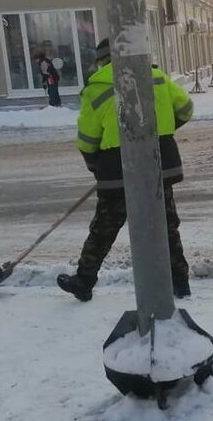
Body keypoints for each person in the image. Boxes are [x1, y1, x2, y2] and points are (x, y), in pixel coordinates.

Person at [57, 38, 194, 302]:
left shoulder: (97, 87)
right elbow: (186, 109)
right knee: (166, 226)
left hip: (117, 172)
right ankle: (180, 282)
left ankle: (84, 280)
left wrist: (95, 165)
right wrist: (158, 133)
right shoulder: (156, 77)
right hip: (158, 164)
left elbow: (87, 140)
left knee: (104, 228)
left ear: (103, 60)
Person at [36, 41, 61, 107]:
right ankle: (57, 103)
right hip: (53, 77)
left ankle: (53, 104)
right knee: (54, 90)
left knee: (52, 91)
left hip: (51, 78)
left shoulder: (43, 62)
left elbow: (45, 72)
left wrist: (44, 81)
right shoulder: (45, 60)